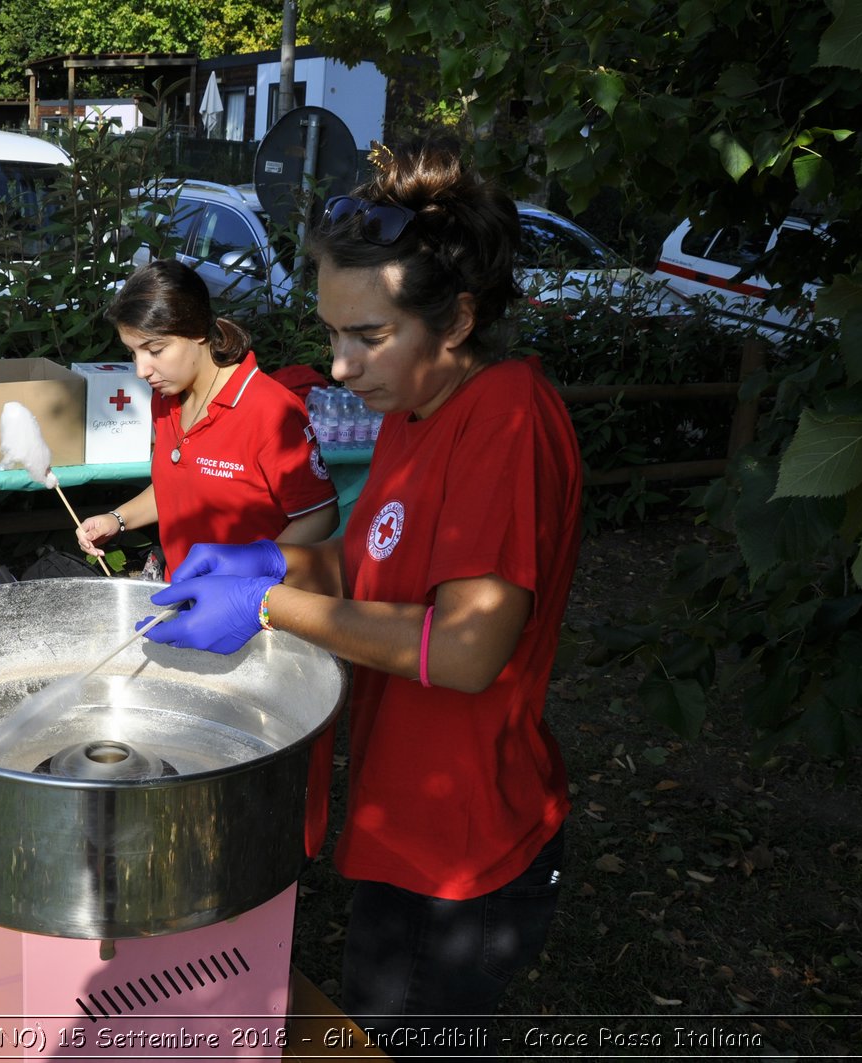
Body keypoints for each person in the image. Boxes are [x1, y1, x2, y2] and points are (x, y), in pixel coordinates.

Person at [137, 140, 584, 1054]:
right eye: (333, 332)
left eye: (369, 336)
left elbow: (466, 649)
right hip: (400, 816)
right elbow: (361, 566)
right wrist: (261, 564)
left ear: (456, 318)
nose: (340, 366)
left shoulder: (505, 419)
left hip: (460, 851)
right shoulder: (414, 409)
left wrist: (263, 608)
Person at [75, 259, 339, 577]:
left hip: (251, 607)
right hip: (180, 595)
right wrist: (118, 519)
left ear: (198, 331)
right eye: (133, 353)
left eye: (155, 350)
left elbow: (320, 515)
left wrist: (249, 575)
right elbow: (178, 487)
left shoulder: (270, 411)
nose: (141, 370)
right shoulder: (164, 399)